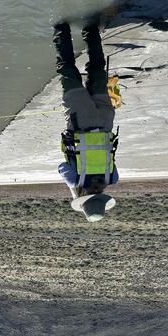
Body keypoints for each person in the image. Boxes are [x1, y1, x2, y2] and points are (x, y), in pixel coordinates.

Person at [54, 22, 119, 222]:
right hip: (81, 120)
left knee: (98, 71)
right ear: (84, 199)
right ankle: (60, 29)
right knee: (67, 71)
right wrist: (74, 191)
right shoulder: (75, 180)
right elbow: (61, 167)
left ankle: (91, 29)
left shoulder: (112, 179)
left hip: (106, 119)